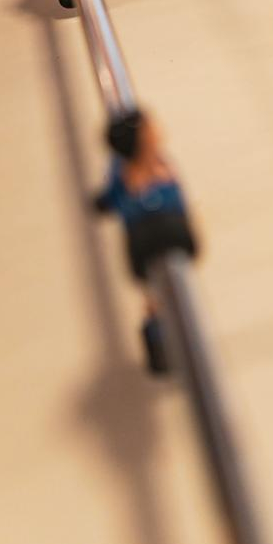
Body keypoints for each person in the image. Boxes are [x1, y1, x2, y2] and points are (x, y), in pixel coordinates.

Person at [93, 110, 195, 374]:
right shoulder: (130, 170)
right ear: (143, 138)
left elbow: (106, 201)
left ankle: (164, 339)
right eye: (151, 128)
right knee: (158, 296)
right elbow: (108, 200)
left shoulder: (144, 164)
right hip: (155, 233)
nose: (157, 130)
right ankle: (161, 342)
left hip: (163, 230)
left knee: (159, 295)